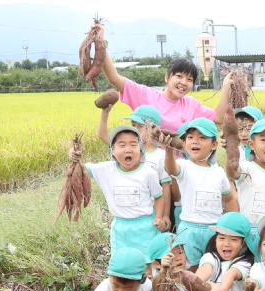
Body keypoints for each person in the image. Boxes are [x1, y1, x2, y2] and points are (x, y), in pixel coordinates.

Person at [92, 24, 232, 132]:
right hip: (150, 166)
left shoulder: (191, 104)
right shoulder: (146, 95)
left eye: (189, 79)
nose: (184, 82)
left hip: (179, 167)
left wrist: (225, 86)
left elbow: (218, 117)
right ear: (167, 78)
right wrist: (99, 42)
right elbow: (114, 78)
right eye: (179, 76)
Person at [69, 126, 165, 265]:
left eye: (133, 144)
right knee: (122, 265)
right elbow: (82, 169)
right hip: (120, 228)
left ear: (140, 149)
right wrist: (73, 155)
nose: (128, 149)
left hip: (145, 227)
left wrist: (158, 217)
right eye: (122, 145)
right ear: (112, 150)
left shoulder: (148, 172)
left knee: (150, 264)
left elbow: (158, 197)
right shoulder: (106, 170)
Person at [160, 118, 238, 272]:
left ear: (214, 145)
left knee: (214, 268)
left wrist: (234, 223)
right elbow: (171, 169)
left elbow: (229, 199)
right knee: (190, 268)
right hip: (189, 230)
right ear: (184, 143)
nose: (195, 141)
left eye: (202, 138)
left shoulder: (219, 172)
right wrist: (169, 149)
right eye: (190, 137)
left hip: (215, 231)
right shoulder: (184, 166)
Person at [98, 104, 172, 231]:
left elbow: (165, 187)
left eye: (141, 126)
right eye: (133, 125)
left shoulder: (161, 156)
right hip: (129, 213)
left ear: (155, 129)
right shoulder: (125, 151)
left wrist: (165, 215)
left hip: (152, 214)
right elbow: (102, 135)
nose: (136, 129)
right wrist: (105, 113)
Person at [224, 119, 265, 251]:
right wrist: (230, 152)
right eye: (263, 140)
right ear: (252, 145)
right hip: (248, 233)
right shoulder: (247, 168)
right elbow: (232, 171)